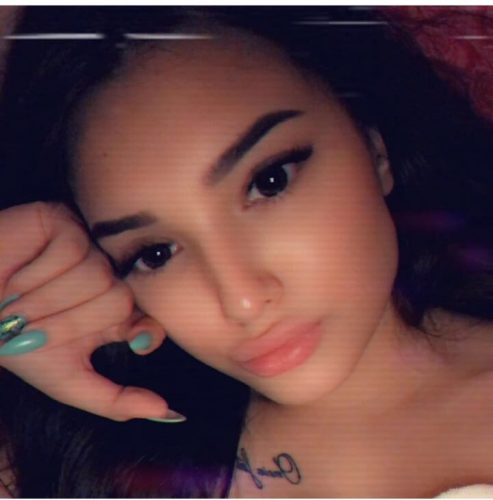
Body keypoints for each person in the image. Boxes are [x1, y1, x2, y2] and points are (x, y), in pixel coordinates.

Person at [0, 5, 493, 497]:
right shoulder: (100, 470)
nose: (242, 301)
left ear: (373, 146)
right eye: (155, 254)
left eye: (269, 182)